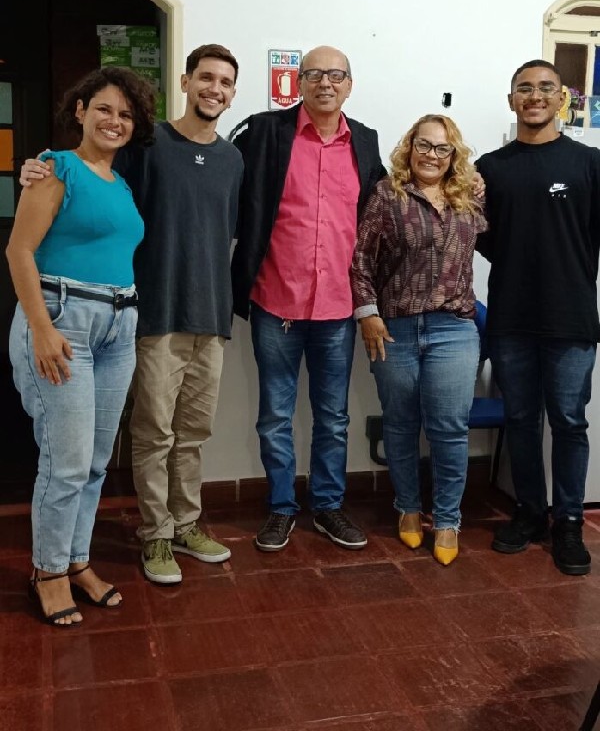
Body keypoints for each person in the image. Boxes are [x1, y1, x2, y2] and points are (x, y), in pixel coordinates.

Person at [19, 45, 244, 586]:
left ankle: (185, 523)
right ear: (185, 82)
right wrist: (35, 166)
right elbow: (91, 180)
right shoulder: (148, 145)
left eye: (225, 82)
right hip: (151, 311)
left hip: (211, 313)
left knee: (194, 431)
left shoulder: (233, 159)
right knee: (154, 431)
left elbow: (227, 231)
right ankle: (155, 533)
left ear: (233, 93)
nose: (214, 89)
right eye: (205, 78)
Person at [7, 66, 155, 625]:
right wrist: (42, 328)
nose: (114, 121)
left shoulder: (121, 184)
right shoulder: (56, 167)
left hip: (119, 326)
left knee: (94, 462)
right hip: (63, 319)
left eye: (125, 114)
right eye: (104, 109)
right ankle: (47, 572)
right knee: (66, 462)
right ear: (80, 111)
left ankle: (76, 560)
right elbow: (19, 251)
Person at [229, 45, 386, 552]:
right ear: (297, 83)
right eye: (315, 74)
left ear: (350, 84)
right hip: (276, 301)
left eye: (336, 75)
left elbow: (386, 208)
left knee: (333, 419)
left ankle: (328, 506)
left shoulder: (364, 141)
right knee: (275, 417)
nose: (325, 83)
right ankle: (280, 508)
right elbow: (221, 177)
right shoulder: (265, 132)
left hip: (338, 308)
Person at [476, 59, 600, 576]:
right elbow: (482, 238)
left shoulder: (590, 164)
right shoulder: (489, 168)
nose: (534, 96)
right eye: (524, 88)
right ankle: (530, 510)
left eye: (546, 87)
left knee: (569, 422)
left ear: (561, 99)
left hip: (571, 319)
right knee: (522, 420)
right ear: (511, 100)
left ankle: (568, 521)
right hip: (510, 318)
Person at [351, 115, 487, 565]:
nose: (432, 155)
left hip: (454, 330)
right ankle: (407, 508)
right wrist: (368, 314)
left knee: (449, 429)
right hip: (396, 329)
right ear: (409, 148)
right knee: (400, 424)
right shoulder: (386, 195)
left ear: (454, 155)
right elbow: (360, 260)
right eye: (423, 145)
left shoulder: (471, 196)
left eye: (442, 148)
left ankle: (447, 519)